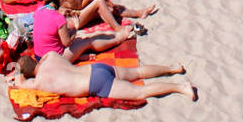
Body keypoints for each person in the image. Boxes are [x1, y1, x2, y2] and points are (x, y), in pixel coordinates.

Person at [12, 46, 196, 102]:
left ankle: (180, 87)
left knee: (140, 92)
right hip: (96, 68)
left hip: (95, 84)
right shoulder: (50, 57)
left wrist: (18, 74)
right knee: (137, 71)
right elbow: (43, 57)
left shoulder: (39, 82)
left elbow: (19, 83)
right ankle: (173, 68)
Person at [31, 0, 133, 62]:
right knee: (87, 40)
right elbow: (67, 43)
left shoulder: (39, 9)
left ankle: (77, 55)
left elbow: (46, 29)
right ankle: (121, 37)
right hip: (55, 60)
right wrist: (76, 28)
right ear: (61, 0)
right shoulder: (58, 18)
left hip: (39, 56)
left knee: (76, 36)